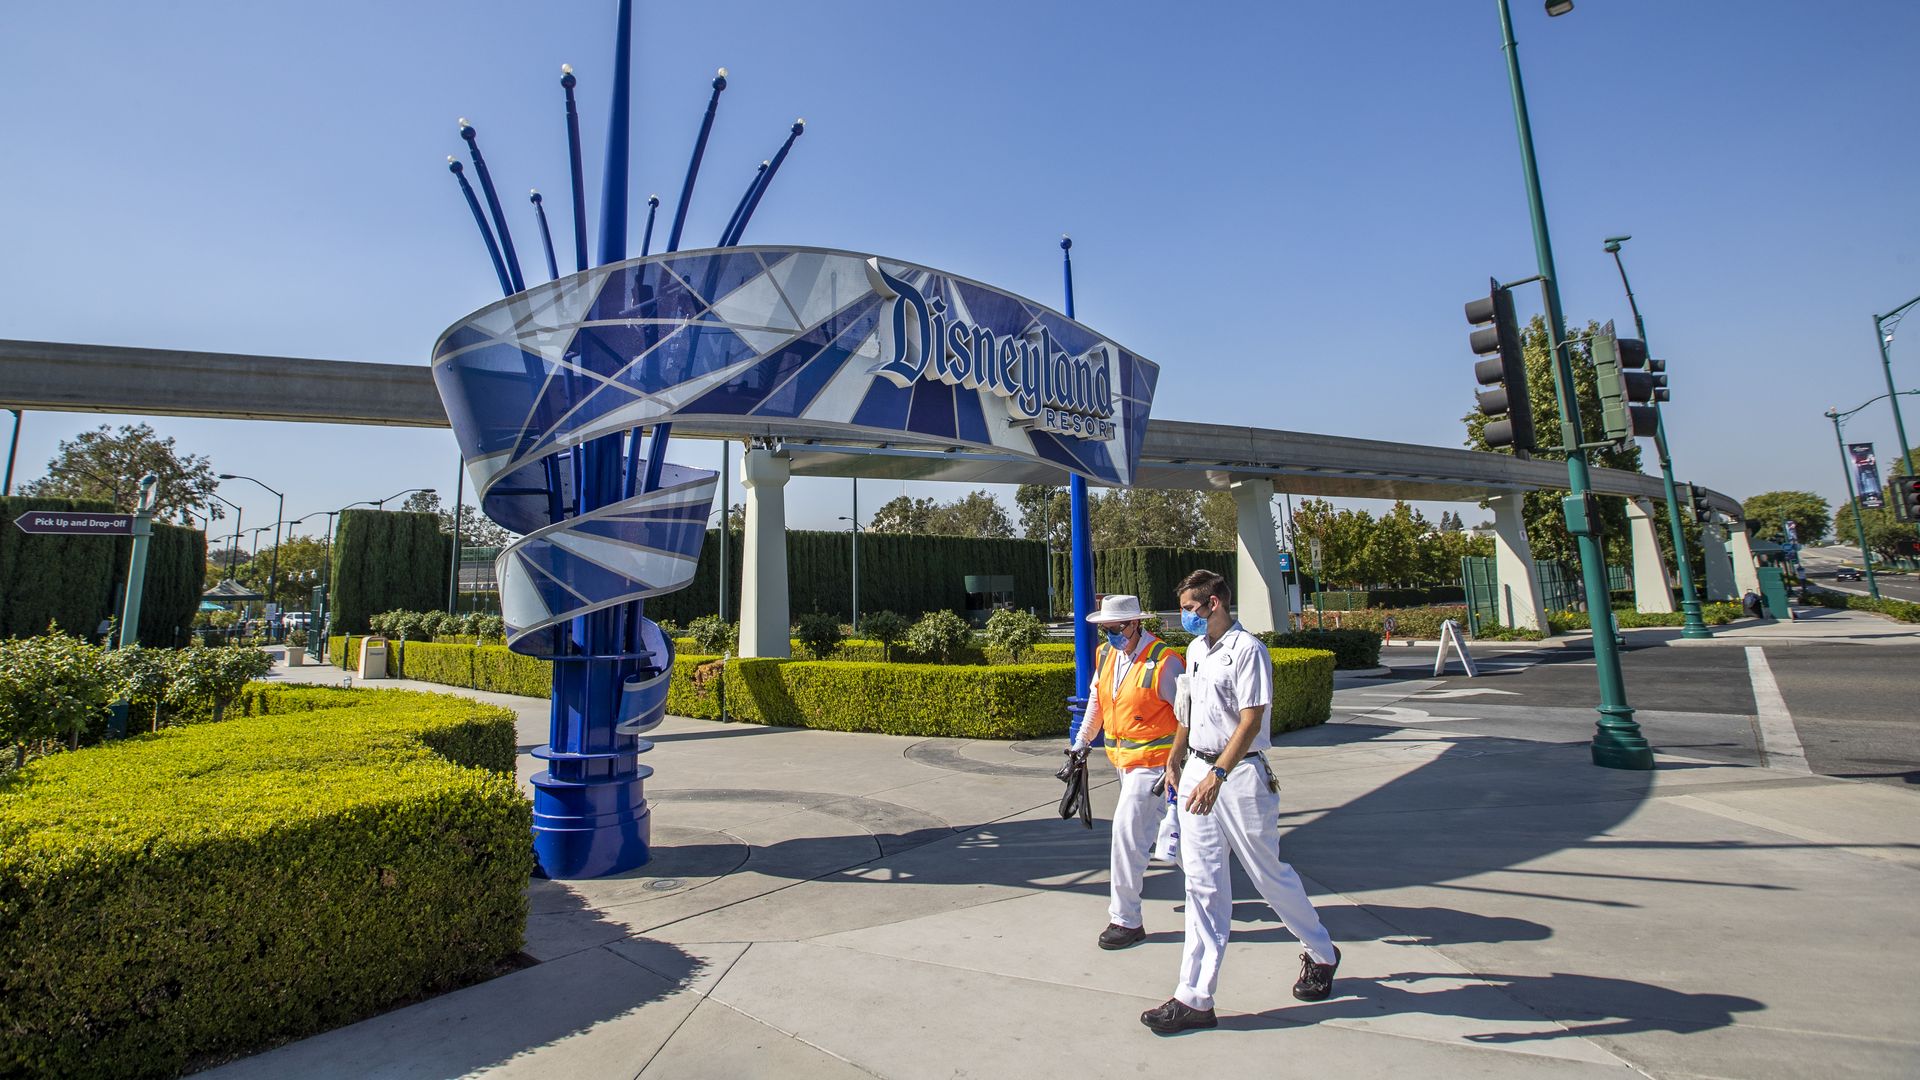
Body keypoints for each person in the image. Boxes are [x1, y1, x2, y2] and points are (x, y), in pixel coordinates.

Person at [1141, 569, 1340, 1035]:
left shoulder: (1247, 650)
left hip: (1240, 775)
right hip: (1197, 770)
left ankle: (1321, 951)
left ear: (1214, 603)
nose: (1186, 616)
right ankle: (1194, 997)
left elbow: (1251, 719)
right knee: (1202, 884)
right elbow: (1187, 712)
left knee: (1268, 875)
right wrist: (1176, 758)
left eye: (1191, 608)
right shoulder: (1194, 651)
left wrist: (1218, 774)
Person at [1069, 594, 1185, 950]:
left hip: (1154, 767)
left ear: (1135, 624)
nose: (1109, 635)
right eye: (1105, 630)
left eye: (1115, 628)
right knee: (1180, 840)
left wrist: (1176, 763)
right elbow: (1098, 704)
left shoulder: (1165, 662)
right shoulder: (1107, 656)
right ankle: (1212, 885)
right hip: (1124, 764)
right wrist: (1080, 745)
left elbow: (1188, 716)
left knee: (1127, 835)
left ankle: (1125, 920)